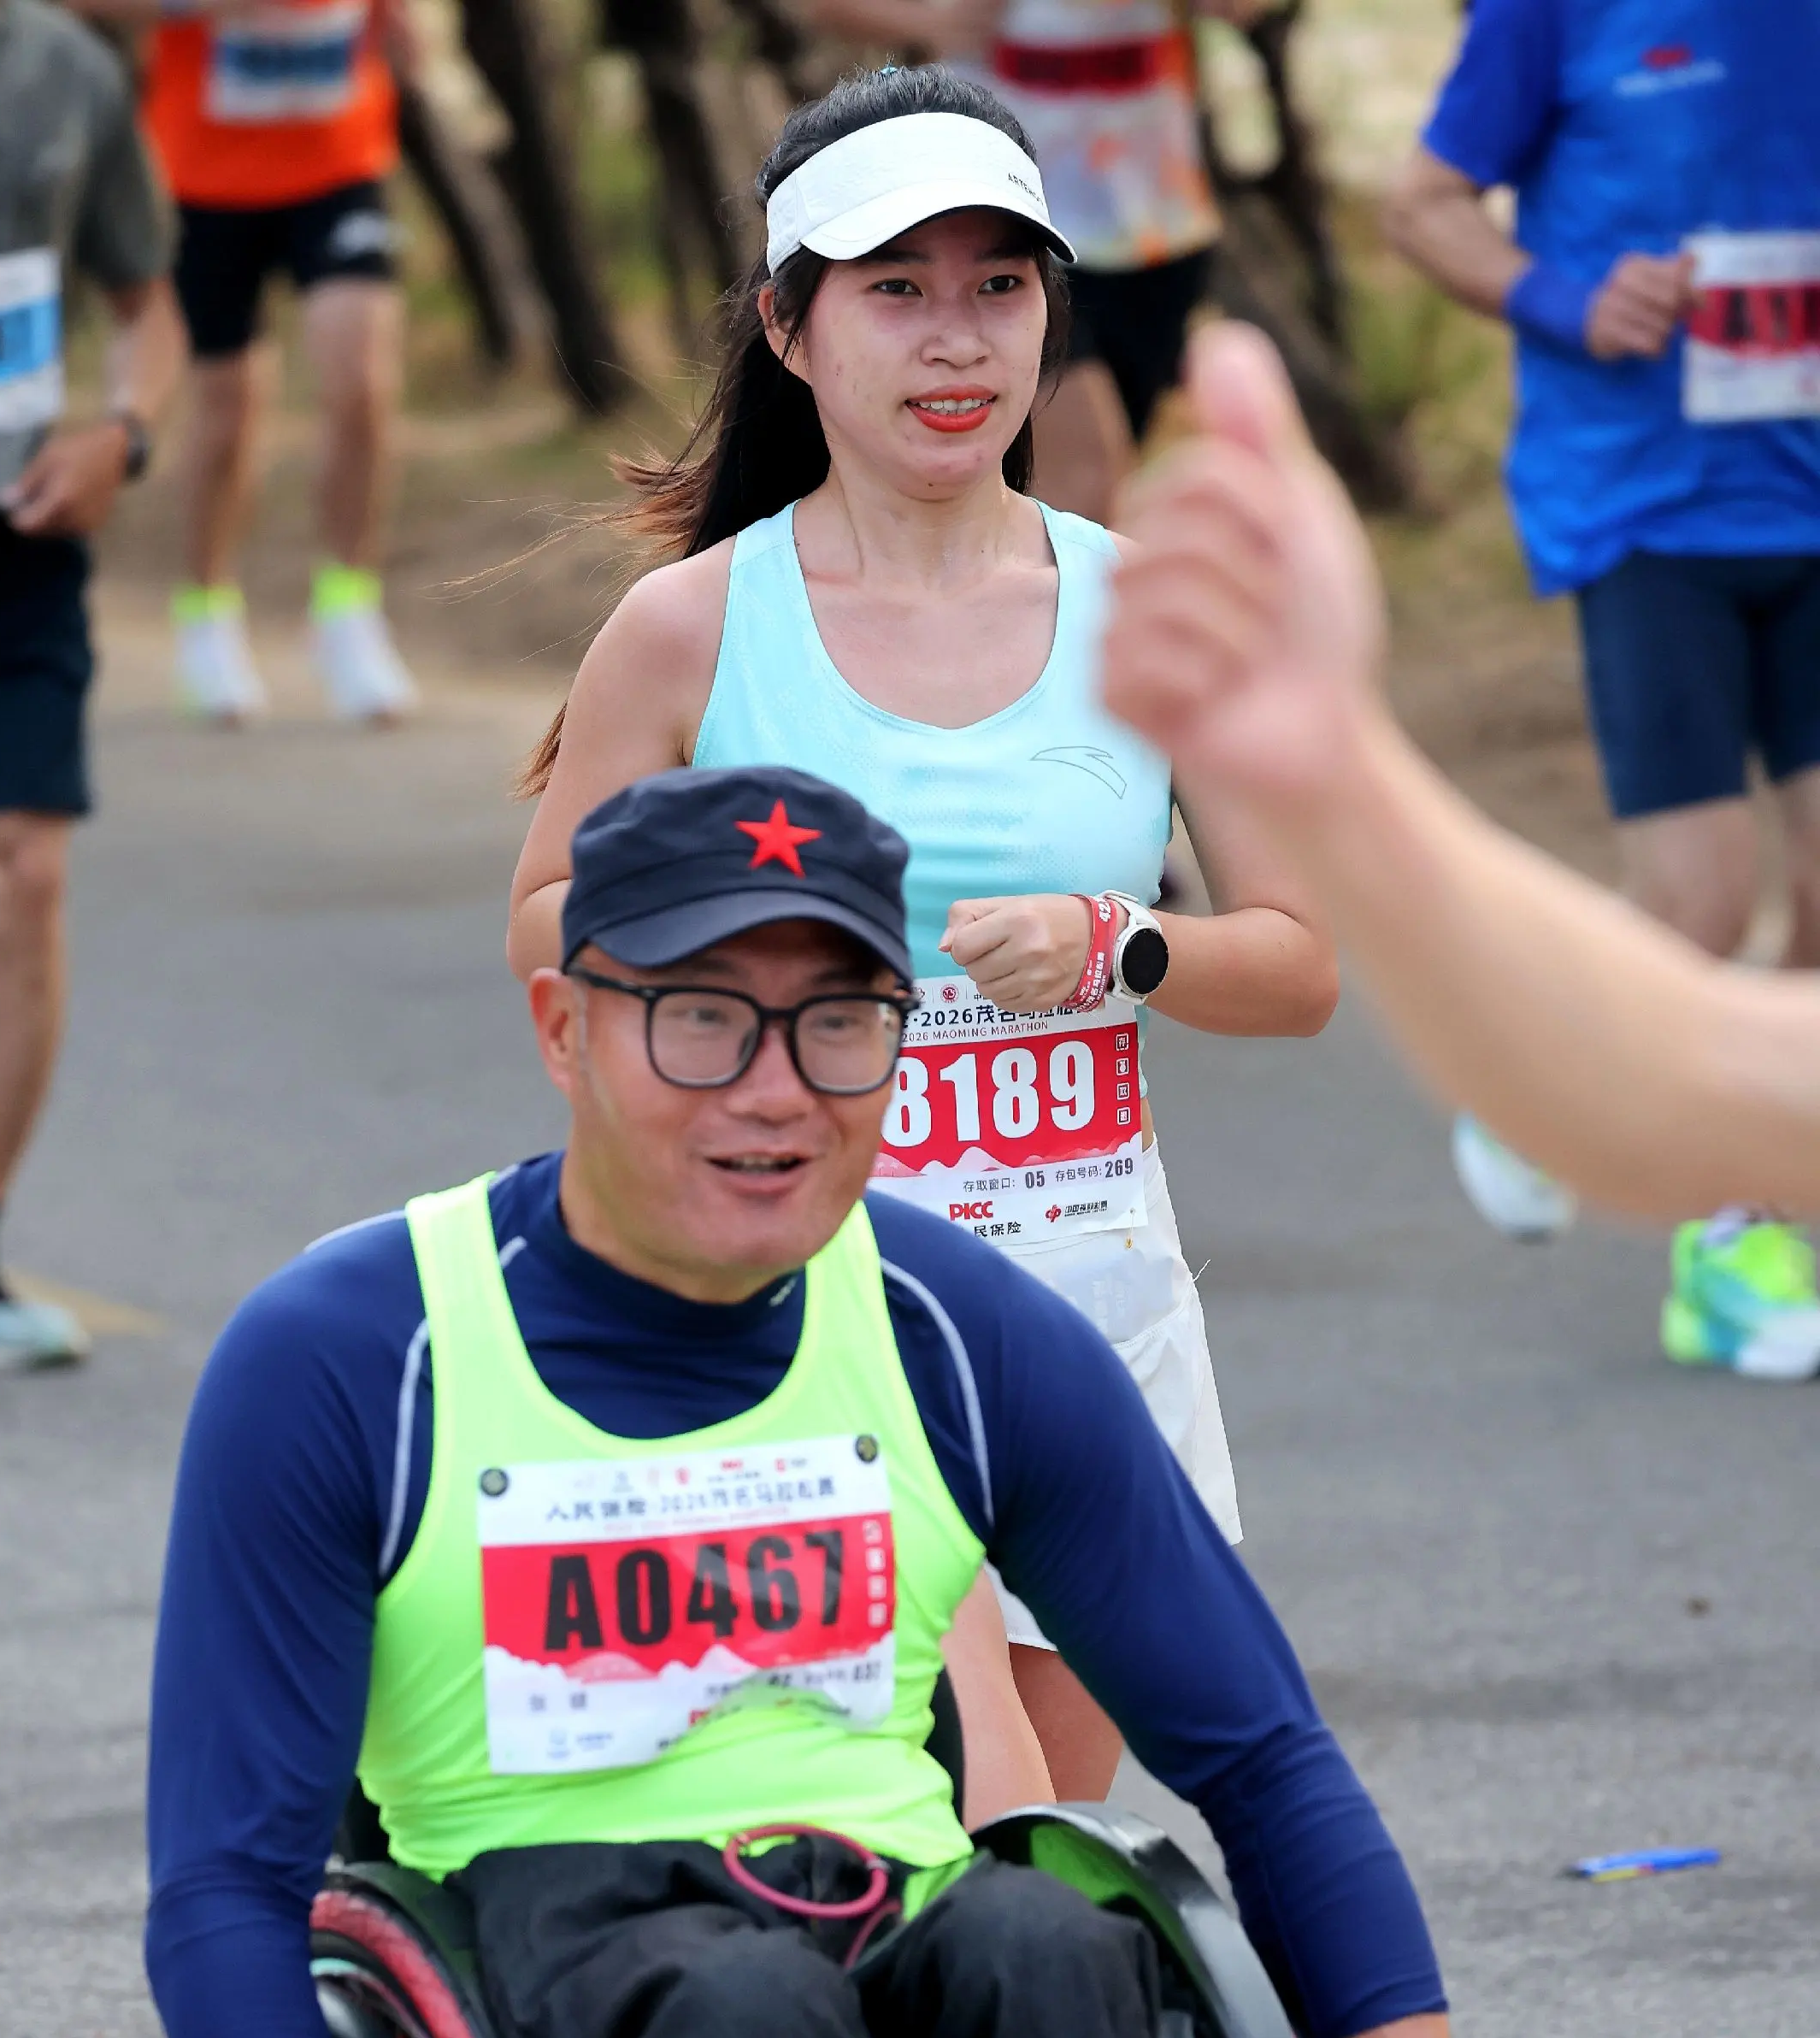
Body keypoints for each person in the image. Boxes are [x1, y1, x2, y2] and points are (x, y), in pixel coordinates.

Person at [145, 760, 1489, 2038]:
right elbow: (224, 1887)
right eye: (700, 1014)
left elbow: (1262, 1761)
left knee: (1068, 1952)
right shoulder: (355, 1351)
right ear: (563, 1021)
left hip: (886, 1899)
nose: (769, 1089)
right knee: (742, 2016)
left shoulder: (953, 1327)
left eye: (835, 1021)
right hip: (551, 1946)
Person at [508, 63, 1337, 1805]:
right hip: (814, 1300)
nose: (957, 341)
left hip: (1097, 1314)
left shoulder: (1153, 613)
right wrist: (759, 947)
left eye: (1000, 286)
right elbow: (545, 922)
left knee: (1054, 1826)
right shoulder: (690, 628)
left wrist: (1126, 940)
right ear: (794, 331)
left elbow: (1302, 963)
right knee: (996, 1807)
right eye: (899, 291)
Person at [1101, 320, 1820, 1228]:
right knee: (1702, 892)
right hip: (1656, 524)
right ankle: (1557, 1126)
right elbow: (1701, 1084)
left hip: (1790, 517)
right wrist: (1341, 776)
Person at [1385, 0, 1820, 1375]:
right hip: (1646, 509)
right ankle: (1541, 1084)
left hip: (1809, 503)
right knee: (1697, 888)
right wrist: (1566, 296)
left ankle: (1747, 1215)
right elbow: (1425, 204)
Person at [0, 0, 180, 1369]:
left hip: (15, 536)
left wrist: (125, 432)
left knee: (21, 873)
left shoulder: (66, 69)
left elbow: (146, 306)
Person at [84, 0, 417, 723]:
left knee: (361, 380)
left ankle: (347, 609)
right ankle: (206, 613)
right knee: (228, 412)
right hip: (202, 184)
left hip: (340, 167)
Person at [801, 5, 1263, 522]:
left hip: (1154, 230)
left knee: (1074, 485)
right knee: (1084, 472)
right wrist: (934, 21)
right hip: (1010, 222)